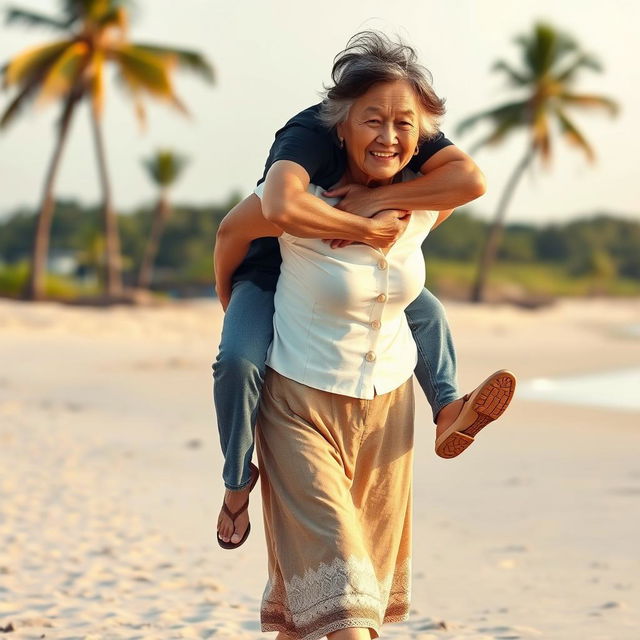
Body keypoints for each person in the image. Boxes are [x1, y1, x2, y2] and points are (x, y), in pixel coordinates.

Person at [213, 31, 516, 639]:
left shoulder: (410, 137)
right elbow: (255, 218)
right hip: (272, 271)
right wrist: (240, 297)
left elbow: (470, 180)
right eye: (372, 120)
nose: (389, 133)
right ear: (342, 123)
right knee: (240, 359)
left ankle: (448, 406)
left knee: (418, 303)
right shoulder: (306, 139)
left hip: (379, 379)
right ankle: (235, 480)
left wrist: (385, 203)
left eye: (403, 122)